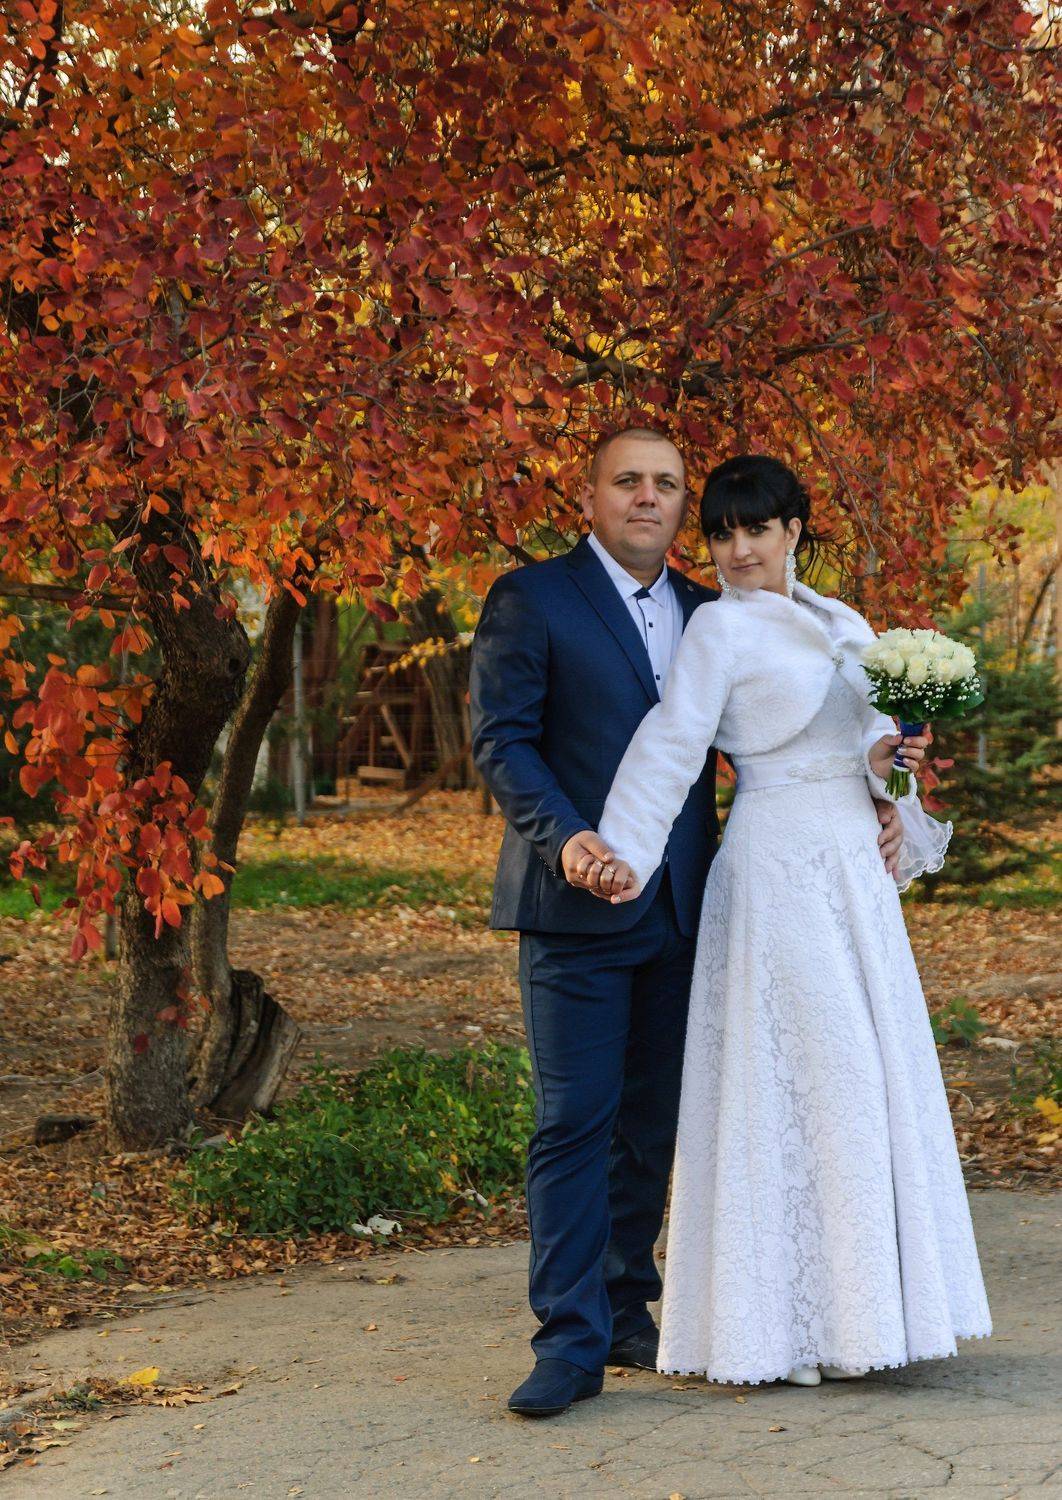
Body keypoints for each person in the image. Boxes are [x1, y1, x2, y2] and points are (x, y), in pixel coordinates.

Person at [469, 431, 914, 1417]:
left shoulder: (718, 608)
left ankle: (630, 1308)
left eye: (665, 485)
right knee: (574, 1124)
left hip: (691, 905)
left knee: (655, 1125)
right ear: (590, 496)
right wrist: (569, 841)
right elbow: (503, 742)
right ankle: (568, 1343)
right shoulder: (532, 598)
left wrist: (882, 799)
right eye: (627, 481)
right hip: (574, 902)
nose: (647, 497)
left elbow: (790, 728)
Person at [592, 454, 991, 1386]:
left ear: (793, 532)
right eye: (722, 534)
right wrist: (621, 853)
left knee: (867, 1078)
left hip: (851, 867)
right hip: (775, 866)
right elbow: (673, 741)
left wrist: (893, 774)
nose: (738, 550)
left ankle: (865, 1321)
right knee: (812, 1077)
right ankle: (786, 1329)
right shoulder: (718, 631)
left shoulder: (844, 623)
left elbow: (871, 752)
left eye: (756, 530)